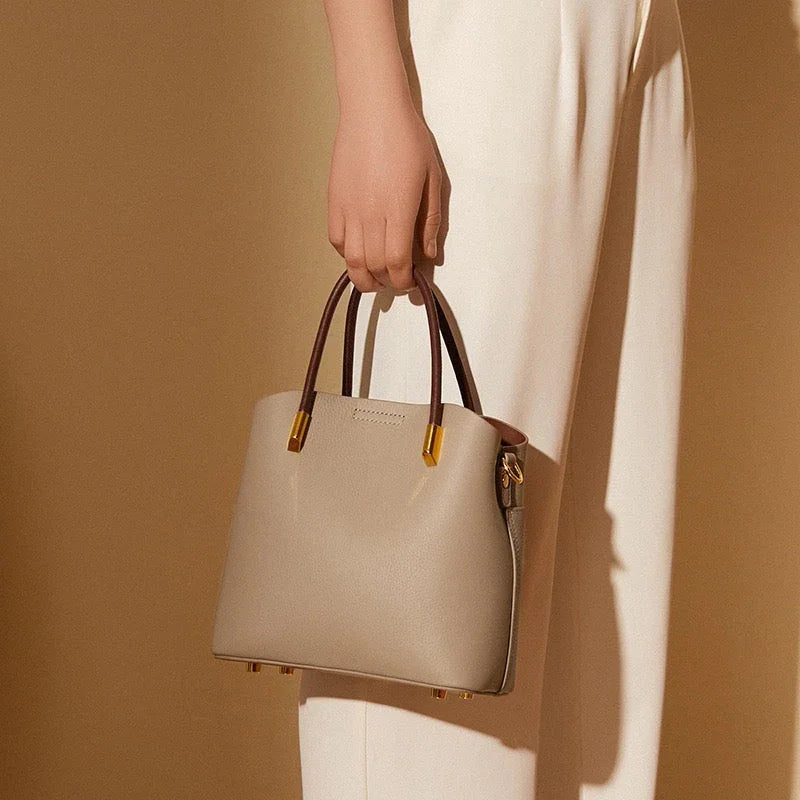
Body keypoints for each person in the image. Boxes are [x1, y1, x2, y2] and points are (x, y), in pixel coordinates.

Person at [297, 0, 696, 797]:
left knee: (602, 633)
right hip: (495, 30)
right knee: (432, 608)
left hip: (648, 31)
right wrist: (371, 86)